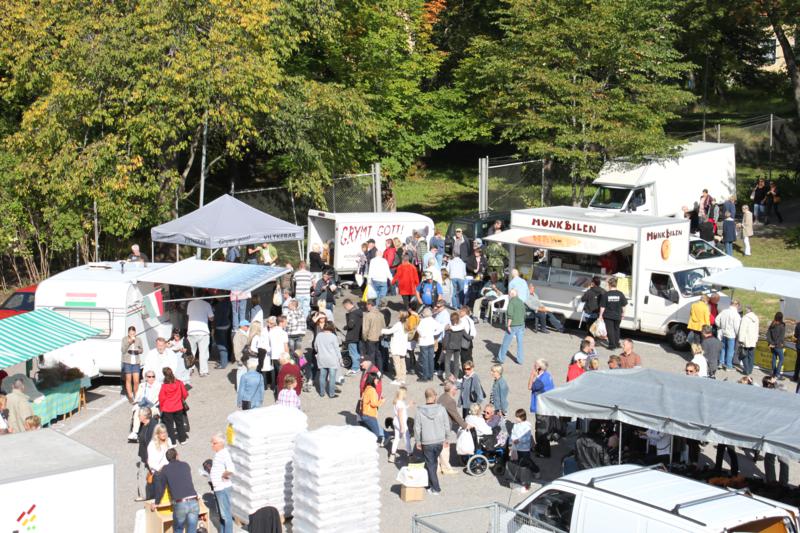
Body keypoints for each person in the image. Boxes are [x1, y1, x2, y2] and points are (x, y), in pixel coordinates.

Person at [151, 449, 199, 533]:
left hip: (180, 503)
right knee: (192, 529)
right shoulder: (185, 465)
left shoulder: (165, 469)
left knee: (178, 529)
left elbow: (161, 488)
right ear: (177, 455)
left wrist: (156, 502)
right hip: (193, 500)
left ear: (167, 459)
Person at [416, 389, 450, 496]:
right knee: (433, 463)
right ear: (434, 396)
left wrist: (418, 441)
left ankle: (435, 487)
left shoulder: (419, 411)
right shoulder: (442, 409)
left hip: (427, 441)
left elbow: (417, 428)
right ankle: (431, 485)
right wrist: (447, 438)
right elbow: (447, 425)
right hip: (439, 441)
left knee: (430, 464)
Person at [208, 434, 237, 533]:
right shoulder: (219, 454)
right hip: (218, 488)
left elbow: (231, 469)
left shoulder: (224, 454)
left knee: (225, 515)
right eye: (211, 443)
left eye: (214, 443)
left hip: (222, 488)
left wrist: (223, 476)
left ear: (221, 443)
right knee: (221, 515)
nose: (212, 445)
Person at [509, 409, 540, 492]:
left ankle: (536, 470)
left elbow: (527, 438)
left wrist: (519, 440)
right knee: (520, 462)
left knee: (526, 461)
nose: (515, 418)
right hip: (517, 448)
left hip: (524, 448)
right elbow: (513, 434)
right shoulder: (516, 425)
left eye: (517, 417)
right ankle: (522, 477)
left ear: (521, 417)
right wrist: (512, 441)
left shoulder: (527, 426)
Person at [158, 367, 188, 445]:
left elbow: (161, 398)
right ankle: (183, 439)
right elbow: (185, 394)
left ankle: (172, 442)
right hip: (178, 407)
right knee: (180, 424)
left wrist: (161, 408)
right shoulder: (179, 383)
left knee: (169, 426)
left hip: (168, 409)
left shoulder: (164, 386)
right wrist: (180, 400)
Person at [129, 370, 161, 442]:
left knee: (145, 411)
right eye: (149, 377)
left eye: (153, 376)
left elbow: (159, 399)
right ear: (146, 378)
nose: (151, 378)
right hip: (143, 406)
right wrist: (137, 402)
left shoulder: (158, 386)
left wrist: (150, 404)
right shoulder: (142, 385)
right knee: (137, 412)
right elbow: (138, 397)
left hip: (153, 406)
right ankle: (135, 432)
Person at [496, 288, 526, 365]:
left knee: (506, 342)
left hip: (513, 325)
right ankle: (520, 360)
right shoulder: (521, 301)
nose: (508, 296)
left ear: (511, 294)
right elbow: (524, 314)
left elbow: (510, 315)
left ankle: (501, 358)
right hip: (521, 324)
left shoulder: (511, 302)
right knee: (520, 343)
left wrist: (508, 325)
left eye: (509, 294)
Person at [186, 295, 214, 377]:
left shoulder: (190, 303)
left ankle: (190, 369)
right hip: (203, 332)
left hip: (191, 331)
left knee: (191, 352)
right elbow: (211, 318)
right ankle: (203, 371)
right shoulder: (207, 304)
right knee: (203, 352)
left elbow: (188, 315)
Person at [135, 407, 158, 501]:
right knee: (146, 474)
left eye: (139, 415)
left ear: (145, 416)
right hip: (145, 455)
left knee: (144, 474)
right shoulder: (146, 424)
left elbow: (151, 444)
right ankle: (148, 494)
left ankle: (145, 495)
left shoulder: (152, 427)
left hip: (149, 456)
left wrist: (149, 458)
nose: (138, 416)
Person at [382, 311, 410, 385]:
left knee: (397, 363)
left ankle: (398, 379)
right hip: (403, 346)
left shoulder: (398, 324)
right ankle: (403, 378)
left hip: (397, 346)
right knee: (402, 362)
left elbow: (389, 331)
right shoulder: (407, 323)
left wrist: (382, 330)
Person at [314, 322, 341, 398]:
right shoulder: (333, 336)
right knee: (332, 377)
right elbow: (337, 349)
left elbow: (315, 347)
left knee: (322, 376)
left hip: (322, 358)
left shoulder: (319, 335)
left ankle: (322, 393)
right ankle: (331, 394)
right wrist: (340, 358)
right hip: (332, 359)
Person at [598, 278, 627, 350]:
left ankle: (612, 345)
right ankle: (617, 343)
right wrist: (623, 313)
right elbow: (624, 305)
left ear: (609, 285)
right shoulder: (620, 294)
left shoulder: (606, 294)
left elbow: (603, 306)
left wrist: (600, 315)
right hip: (618, 315)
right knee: (616, 329)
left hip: (608, 315)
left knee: (610, 330)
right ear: (616, 284)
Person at [416, 307, 443, 382]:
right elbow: (440, 328)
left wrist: (422, 335)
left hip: (424, 342)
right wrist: (434, 333)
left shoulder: (423, 321)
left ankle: (425, 377)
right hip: (431, 341)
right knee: (431, 359)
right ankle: (430, 376)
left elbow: (418, 329)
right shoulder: (433, 320)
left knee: (425, 360)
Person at [121, 326, 144, 403]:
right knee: (128, 380)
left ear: (135, 333)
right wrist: (129, 342)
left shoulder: (138, 339)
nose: (132, 335)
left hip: (136, 362)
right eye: (131, 334)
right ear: (128, 333)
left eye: (133, 334)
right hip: (127, 362)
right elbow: (123, 350)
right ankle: (130, 396)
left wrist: (139, 351)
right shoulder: (124, 339)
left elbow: (142, 349)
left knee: (136, 381)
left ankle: (136, 395)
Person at [716, 300, 741, 371]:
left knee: (723, 349)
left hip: (723, 332)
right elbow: (737, 327)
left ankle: (721, 363)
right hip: (731, 334)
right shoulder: (736, 314)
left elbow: (717, 320)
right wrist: (738, 334)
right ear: (737, 305)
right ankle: (728, 366)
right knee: (730, 350)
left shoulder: (724, 311)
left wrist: (720, 327)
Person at [360, 372, 384, 442]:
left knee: (370, 433)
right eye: (376, 379)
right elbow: (374, 404)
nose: (378, 381)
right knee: (376, 434)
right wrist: (381, 401)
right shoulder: (372, 390)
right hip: (370, 415)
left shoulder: (367, 388)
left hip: (364, 414)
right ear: (373, 379)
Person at [389, 386, 411, 463]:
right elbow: (400, 415)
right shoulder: (400, 403)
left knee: (397, 438)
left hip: (396, 421)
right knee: (407, 439)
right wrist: (402, 426)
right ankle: (410, 454)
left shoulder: (397, 401)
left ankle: (392, 455)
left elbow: (402, 410)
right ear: (403, 394)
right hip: (401, 423)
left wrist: (408, 405)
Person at [362, 299, 385, 371]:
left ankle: (372, 372)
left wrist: (364, 338)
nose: (366, 306)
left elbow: (365, 330)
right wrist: (382, 336)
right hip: (379, 337)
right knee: (378, 355)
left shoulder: (368, 315)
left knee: (371, 356)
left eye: (367, 305)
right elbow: (384, 326)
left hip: (371, 338)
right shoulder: (381, 315)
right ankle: (380, 371)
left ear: (370, 305)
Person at [341, 299, 363, 375]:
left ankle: (355, 368)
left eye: (345, 307)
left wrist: (345, 327)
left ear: (347, 305)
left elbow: (351, 325)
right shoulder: (359, 312)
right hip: (359, 335)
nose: (345, 309)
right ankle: (359, 365)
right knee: (358, 352)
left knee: (353, 353)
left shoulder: (353, 314)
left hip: (352, 336)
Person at [440, 313, 465, 380]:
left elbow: (446, 338)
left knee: (447, 361)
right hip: (458, 347)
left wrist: (444, 347)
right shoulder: (461, 328)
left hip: (449, 347)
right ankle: (456, 377)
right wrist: (471, 337)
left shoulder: (449, 328)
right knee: (456, 362)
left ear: (451, 319)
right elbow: (467, 336)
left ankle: (448, 377)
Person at [767, 312, 786, 379]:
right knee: (781, 359)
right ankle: (777, 374)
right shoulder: (782, 325)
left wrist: (771, 343)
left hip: (772, 345)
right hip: (778, 345)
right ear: (781, 318)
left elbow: (768, 334)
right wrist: (775, 344)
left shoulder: (772, 324)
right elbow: (781, 337)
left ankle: (773, 372)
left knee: (774, 358)